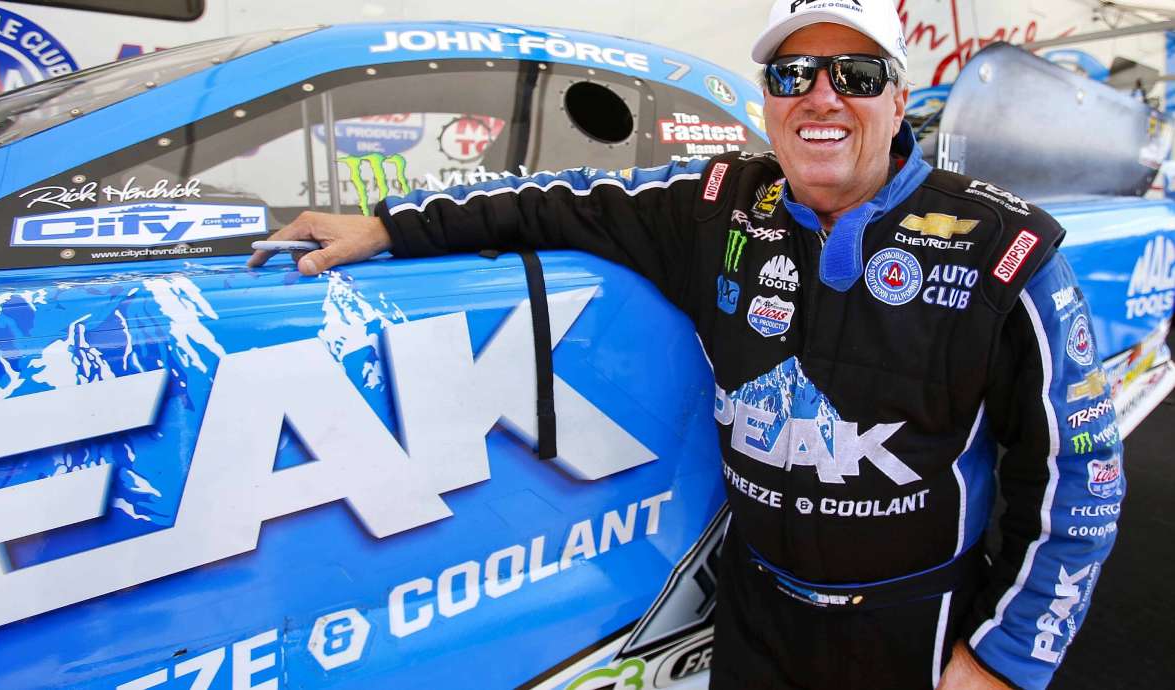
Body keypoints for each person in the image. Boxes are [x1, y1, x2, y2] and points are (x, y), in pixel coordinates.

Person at [249, 1, 1124, 687]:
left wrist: (1008, 654)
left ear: (897, 98)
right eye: (793, 73)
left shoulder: (1005, 246)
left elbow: (1082, 474)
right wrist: (387, 227)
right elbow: (551, 200)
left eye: (854, 73)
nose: (821, 96)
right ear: (770, 100)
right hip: (755, 621)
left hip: (917, 630)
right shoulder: (715, 203)